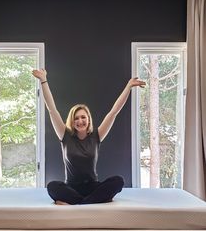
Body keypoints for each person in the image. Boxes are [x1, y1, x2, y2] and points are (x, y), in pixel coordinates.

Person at [32, 69, 145, 205]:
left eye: (83, 117)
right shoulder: (65, 135)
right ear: (72, 121)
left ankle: (78, 203)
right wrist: (43, 80)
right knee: (52, 186)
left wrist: (128, 86)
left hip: (93, 187)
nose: (80, 121)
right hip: (71, 187)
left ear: (88, 119)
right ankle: (94, 201)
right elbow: (51, 109)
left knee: (118, 181)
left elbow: (114, 112)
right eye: (76, 118)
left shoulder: (96, 136)